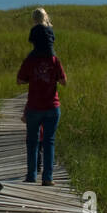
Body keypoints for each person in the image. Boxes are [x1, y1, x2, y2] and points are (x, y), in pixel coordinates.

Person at [17, 47, 67, 185]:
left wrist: (32, 79)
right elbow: (64, 82)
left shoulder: (29, 60)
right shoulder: (54, 60)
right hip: (52, 106)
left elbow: (20, 80)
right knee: (49, 141)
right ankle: (47, 178)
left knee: (32, 142)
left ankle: (31, 176)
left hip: (34, 107)